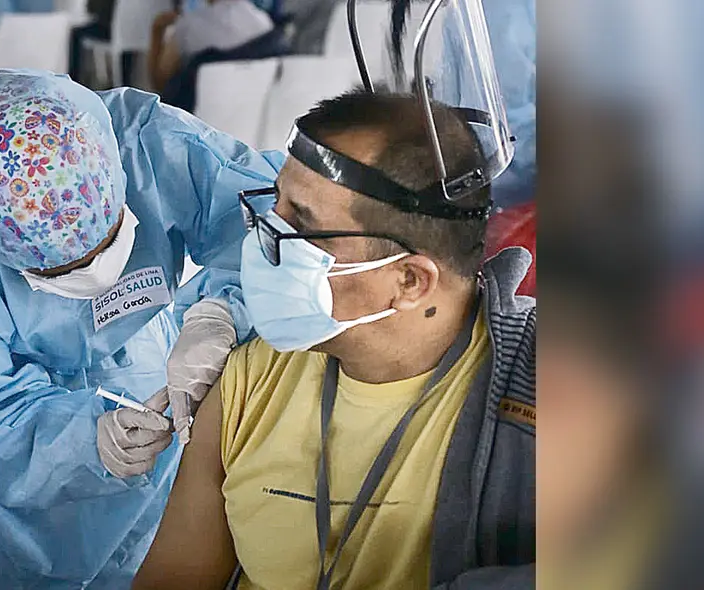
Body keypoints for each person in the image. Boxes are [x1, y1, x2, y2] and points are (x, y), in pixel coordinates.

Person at [133, 91, 535, 589]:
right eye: (270, 205)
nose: (262, 238)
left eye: (300, 223)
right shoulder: (250, 379)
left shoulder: (548, 398)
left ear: (411, 281)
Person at [0, 69, 283, 589]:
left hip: (137, 355)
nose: (101, 274)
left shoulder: (142, 142)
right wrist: (87, 443)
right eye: (64, 271)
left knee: (155, 535)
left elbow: (269, 219)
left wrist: (221, 310)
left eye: (112, 242)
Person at [148, 0, 275, 92]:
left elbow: (160, 84)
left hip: (197, 120)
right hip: (247, 116)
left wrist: (157, 31)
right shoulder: (264, 23)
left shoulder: (188, 29)